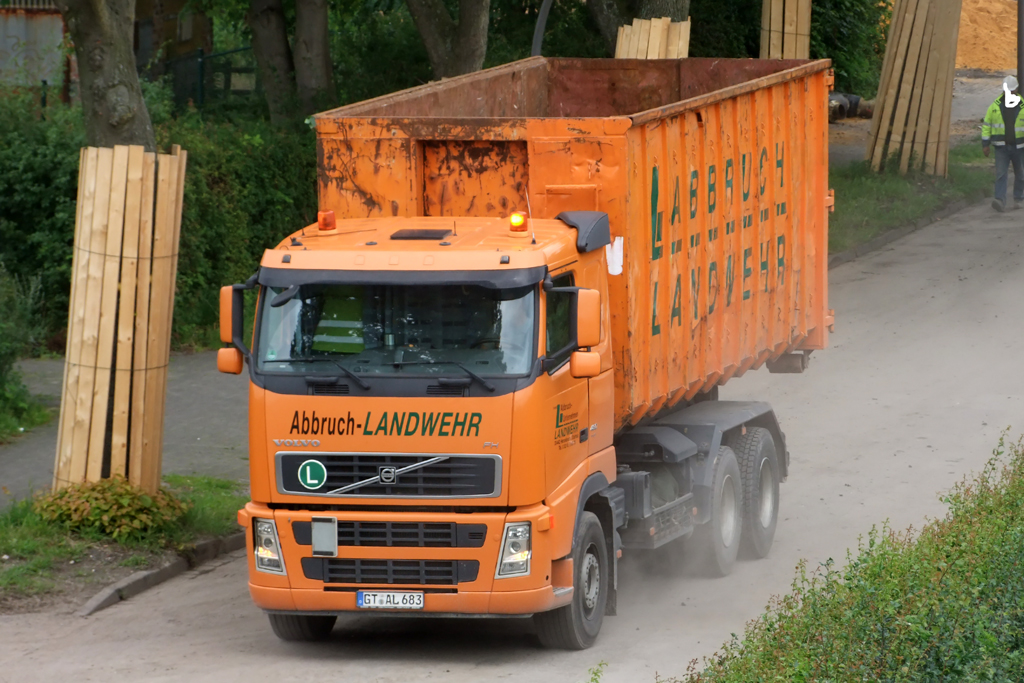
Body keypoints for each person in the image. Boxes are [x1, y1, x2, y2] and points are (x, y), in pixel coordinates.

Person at [982, 75, 1024, 212]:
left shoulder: (1022, 106)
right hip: (1001, 146)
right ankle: (999, 200)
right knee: (1001, 174)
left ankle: (1018, 198)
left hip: (1019, 146)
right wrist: (985, 144)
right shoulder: (995, 107)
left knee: (1021, 173)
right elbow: (987, 125)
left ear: (1016, 90)